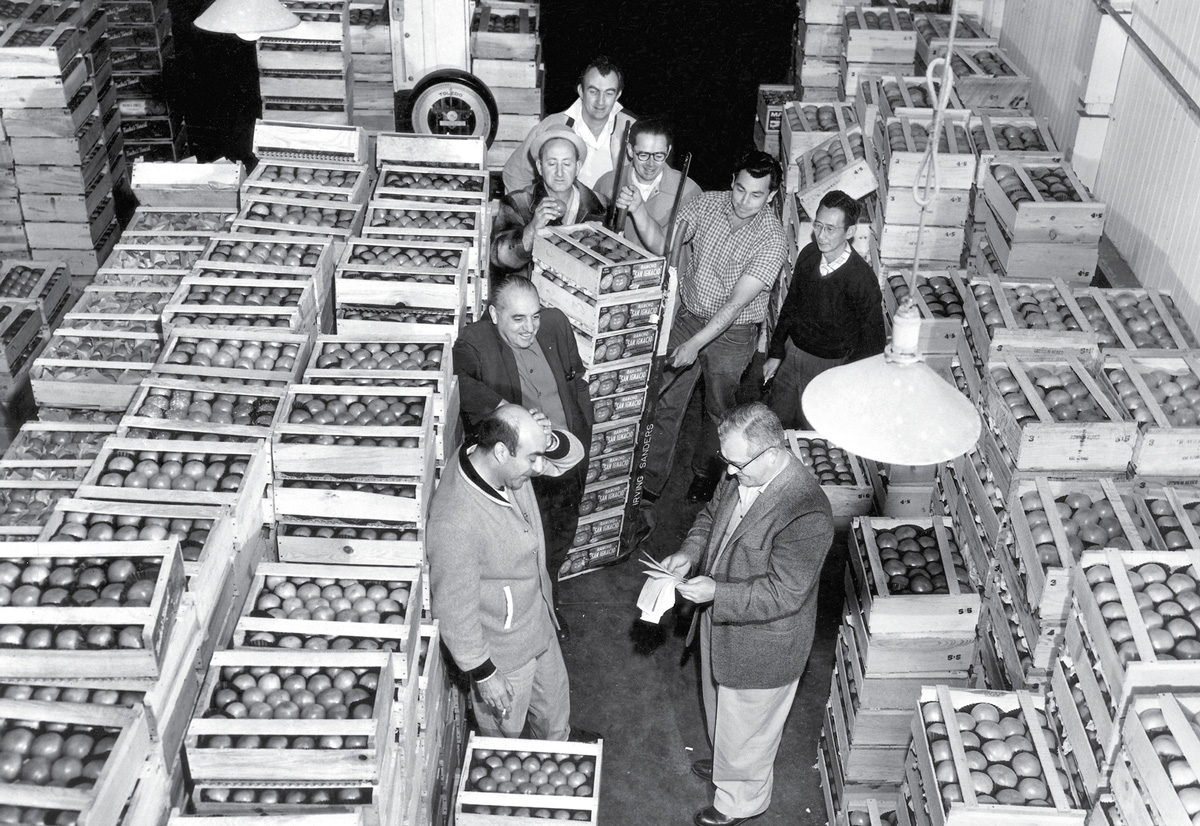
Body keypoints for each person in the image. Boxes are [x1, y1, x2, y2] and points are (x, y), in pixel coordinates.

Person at [660, 403, 834, 826]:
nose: (730, 472)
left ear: (771, 454)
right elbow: (709, 518)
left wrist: (717, 591)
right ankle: (728, 767)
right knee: (723, 708)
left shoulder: (806, 511)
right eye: (727, 461)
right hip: (719, 623)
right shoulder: (742, 469)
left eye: (737, 464)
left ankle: (740, 801)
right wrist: (689, 552)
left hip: (763, 640)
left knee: (750, 725)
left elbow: (785, 593)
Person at [624, 150, 787, 545]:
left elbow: (734, 305)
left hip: (734, 334)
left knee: (718, 411)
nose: (744, 200)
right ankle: (649, 484)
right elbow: (666, 242)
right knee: (664, 401)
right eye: (739, 189)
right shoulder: (706, 203)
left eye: (756, 195)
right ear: (731, 180)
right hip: (691, 317)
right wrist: (638, 211)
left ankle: (705, 471)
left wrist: (696, 345)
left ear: (772, 195)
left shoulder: (773, 240)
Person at [427, 404, 584, 740]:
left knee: (555, 712)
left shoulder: (493, 458)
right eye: (532, 459)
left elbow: (572, 457)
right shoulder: (456, 520)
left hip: (538, 619)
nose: (540, 468)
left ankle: (556, 753)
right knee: (504, 737)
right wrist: (483, 672)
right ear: (501, 451)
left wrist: (546, 439)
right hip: (504, 651)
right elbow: (454, 608)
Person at [452, 276, 594, 640]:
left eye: (535, 316)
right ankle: (539, 616)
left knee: (561, 536)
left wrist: (581, 429)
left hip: (567, 455)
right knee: (529, 548)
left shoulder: (557, 324)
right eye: (518, 319)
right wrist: (509, 410)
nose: (530, 328)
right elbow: (458, 383)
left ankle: (552, 597)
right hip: (524, 471)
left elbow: (575, 377)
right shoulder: (476, 341)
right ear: (494, 314)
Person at [764, 190, 886, 430]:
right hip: (793, 353)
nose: (821, 235)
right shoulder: (809, 255)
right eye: (818, 225)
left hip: (828, 366)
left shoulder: (861, 279)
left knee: (817, 435)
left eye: (830, 229)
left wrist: (847, 382)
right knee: (774, 424)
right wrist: (776, 351)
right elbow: (791, 304)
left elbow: (872, 341)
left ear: (849, 232)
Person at [502, 56, 636, 192]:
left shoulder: (632, 128)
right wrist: (527, 210)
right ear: (581, 91)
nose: (600, 101)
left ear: (618, 95)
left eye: (608, 93)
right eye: (593, 92)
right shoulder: (552, 126)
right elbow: (514, 175)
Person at [492, 125, 606, 278]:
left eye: (566, 164)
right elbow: (499, 258)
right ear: (539, 167)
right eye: (552, 164)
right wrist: (532, 228)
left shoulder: (600, 204)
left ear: (578, 167)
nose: (559, 173)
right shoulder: (517, 202)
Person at [594, 117, 701, 254]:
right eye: (643, 155)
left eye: (659, 155)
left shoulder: (688, 191)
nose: (650, 164)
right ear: (630, 150)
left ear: (668, 151)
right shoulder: (607, 182)